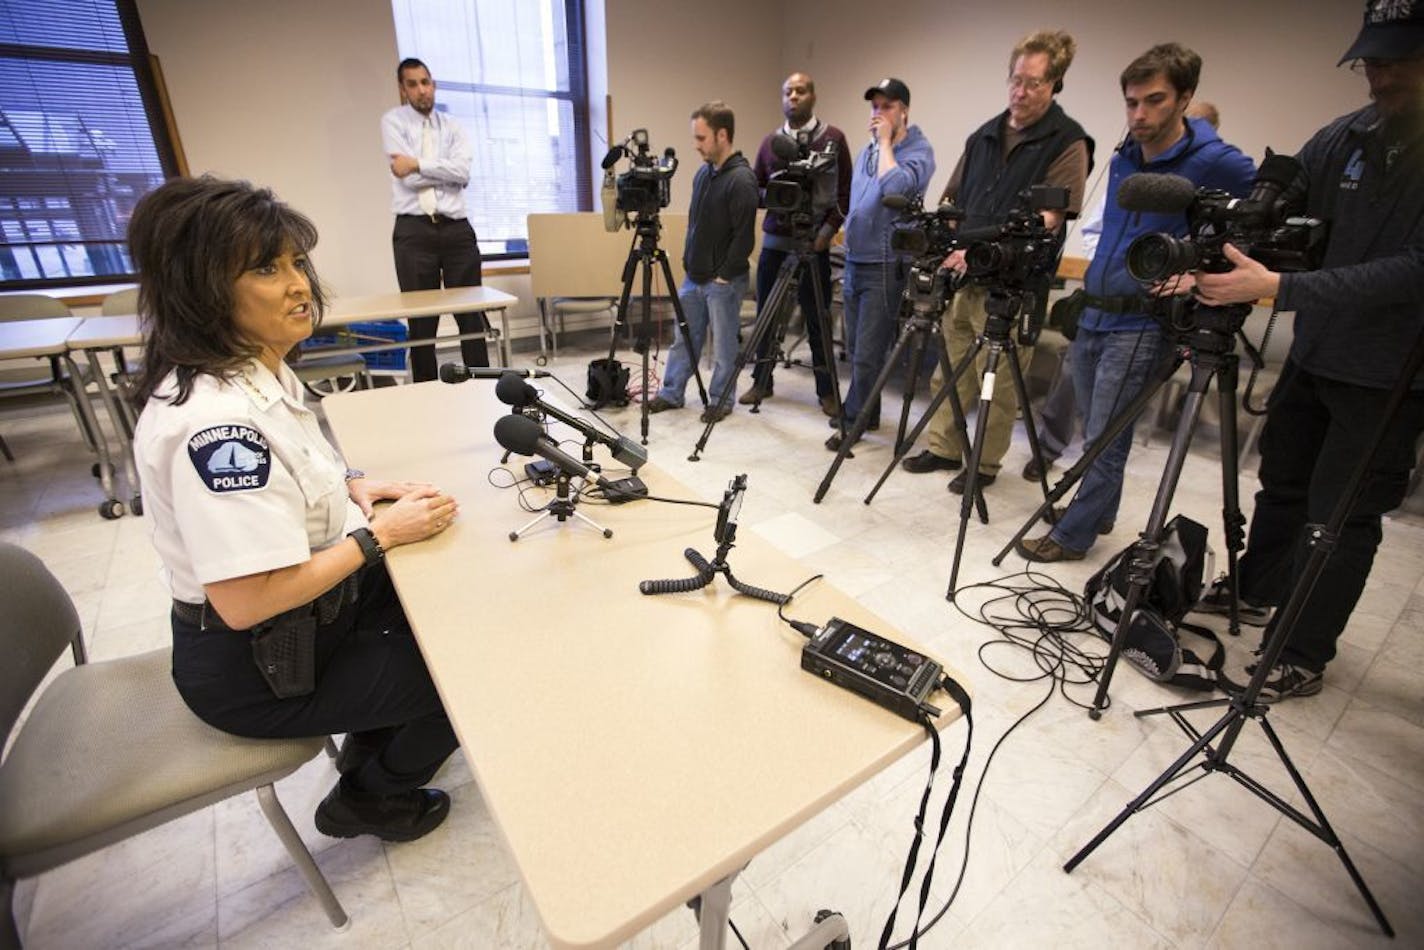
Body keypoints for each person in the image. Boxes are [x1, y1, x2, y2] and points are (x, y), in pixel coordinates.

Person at [131, 176, 461, 841]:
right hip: (255, 665)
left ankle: (374, 743)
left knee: (446, 603)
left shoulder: (255, 369)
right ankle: (370, 798)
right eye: (266, 268)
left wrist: (355, 491)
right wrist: (378, 537)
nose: (299, 284)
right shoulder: (216, 428)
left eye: (295, 263)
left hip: (301, 624)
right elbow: (247, 601)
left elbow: (297, 475)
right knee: (466, 677)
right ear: (204, 290)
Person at [1192, 1, 1424, 701]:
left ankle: (1300, 651)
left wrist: (1283, 287)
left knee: (1341, 517)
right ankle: (1257, 589)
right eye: (1371, 62)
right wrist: (1223, 255)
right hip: (1317, 357)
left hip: (1389, 373)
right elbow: (1289, 199)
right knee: (1284, 486)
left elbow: (1415, 268)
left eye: (1397, 62)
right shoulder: (1346, 135)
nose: (1378, 77)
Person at [1017, 43, 1255, 563]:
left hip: (1142, 326)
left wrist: (1200, 275)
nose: (1140, 115)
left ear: (1184, 99)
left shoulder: (1215, 161)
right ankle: (1096, 511)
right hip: (1097, 309)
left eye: (1154, 101)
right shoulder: (1126, 156)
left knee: (1104, 437)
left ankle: (1072, 536)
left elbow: (1264, 220)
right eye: (1131, 103)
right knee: (1093, 426)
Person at [900, 31, 1090, 490]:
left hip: (1013, 284)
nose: (1021, 92)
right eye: (1016, 80)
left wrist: (985, 244)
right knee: (951, 367)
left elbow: (1048, 218)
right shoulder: (983, 135)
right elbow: (952, 199)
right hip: (964, 274)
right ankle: (944, 447)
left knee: (1000, 381)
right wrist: (944, 241)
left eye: (1034, 83)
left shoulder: (1068, 142)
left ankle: (983, 463)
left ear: (1056, 84)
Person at [1028, 99, 1224, 482]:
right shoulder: (1132, 170)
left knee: (1108, 426)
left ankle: (1089, 505)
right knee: (1074, 377)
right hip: (1102, 301)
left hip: (1148, 316)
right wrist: (1112, 263)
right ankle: (1051, 448)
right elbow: (1096, 229)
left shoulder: (1208, 180)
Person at [829, 77, 936, 451]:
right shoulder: (867, 150)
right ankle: (866, 410)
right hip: (856, 259)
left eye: (887, 106)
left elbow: (895, 190)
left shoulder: (919, 151)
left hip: (886, 264)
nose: (879, 114)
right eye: (875, 106)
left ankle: (854, 418)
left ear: (904, 110)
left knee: (869, 350)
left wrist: (888, 142)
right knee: (855, 348)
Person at [739, 72, 852, 416]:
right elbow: (754, 190)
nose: (793, 97)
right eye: (787, 92)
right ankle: (761, 381)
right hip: (776, 241)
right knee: (766, 315)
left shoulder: (833, 138)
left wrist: (827, 232)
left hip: (814, 242)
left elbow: (845, 194)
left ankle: (826, 391)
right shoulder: (770, 143)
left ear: (813, 96)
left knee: (817, 318)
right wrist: (774, 192)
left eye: (800, 91)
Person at [647, 101, 758, 423]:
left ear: (722, 135)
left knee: (723, 349)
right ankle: (672, 393)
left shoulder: (742, 180)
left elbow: (744, 237)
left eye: (701, 138)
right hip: (693, 277)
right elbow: (696, 223)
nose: (695, 146)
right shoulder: (703, 174)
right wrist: (687, 259)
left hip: (722, 282)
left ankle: (721, 401)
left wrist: (724, 274)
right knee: (683, 340)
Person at [381, 57, 487, 383]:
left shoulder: (453, 126)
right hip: (414, 230)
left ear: (433, 84)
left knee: (470, 315)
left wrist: (417, 164)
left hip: (456, 229)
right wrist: (440, 168)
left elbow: (462, 173)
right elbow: (406, 178)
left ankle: (484, 384)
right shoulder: (393, 122)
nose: (421, 90)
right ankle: (424, 389)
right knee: (421, 320)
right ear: (403, 89)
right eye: (412, 84)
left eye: (425, 82)